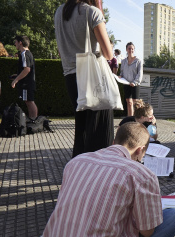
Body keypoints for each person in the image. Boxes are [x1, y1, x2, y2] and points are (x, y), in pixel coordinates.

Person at [28, 122, 175, 237]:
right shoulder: (142, 174)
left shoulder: (76, 161)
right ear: (139, 150)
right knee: (174, 215)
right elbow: (147, 231)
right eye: (141, 157)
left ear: (114, 141)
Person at [54, 0, 115, 158]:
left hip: (70, 76)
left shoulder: (59, 12)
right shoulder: (92, 12)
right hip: (91, 76)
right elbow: (108, 54)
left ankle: (80, 169)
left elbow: (61, 51)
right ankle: (99, 173)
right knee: (99, 130)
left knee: (82, 127)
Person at [11, 35, 38, 119]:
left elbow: (27, 69)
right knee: (28, 101)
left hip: (26, 83)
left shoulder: (24, 54)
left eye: (16, 42)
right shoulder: (28, 53)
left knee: (29, 102)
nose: (15, 44)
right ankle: (32, 119)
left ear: (20, 43)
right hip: (28, 82)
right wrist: (18, 74)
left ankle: (33, 119)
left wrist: (16, 80)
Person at [120, 42, 143, 116]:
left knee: (136, 102)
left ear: (134, 50)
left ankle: (137, 119)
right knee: (129, 102)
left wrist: (135, 82)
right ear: (126, 49)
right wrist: (120, 76)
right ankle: (130, 119)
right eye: (129, 48)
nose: (131, 50)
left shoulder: (138, 61)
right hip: (126, 83)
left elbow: (140, 73)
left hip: (135, 84)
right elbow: (122, 72)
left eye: (132, 49)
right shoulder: (123, 61)